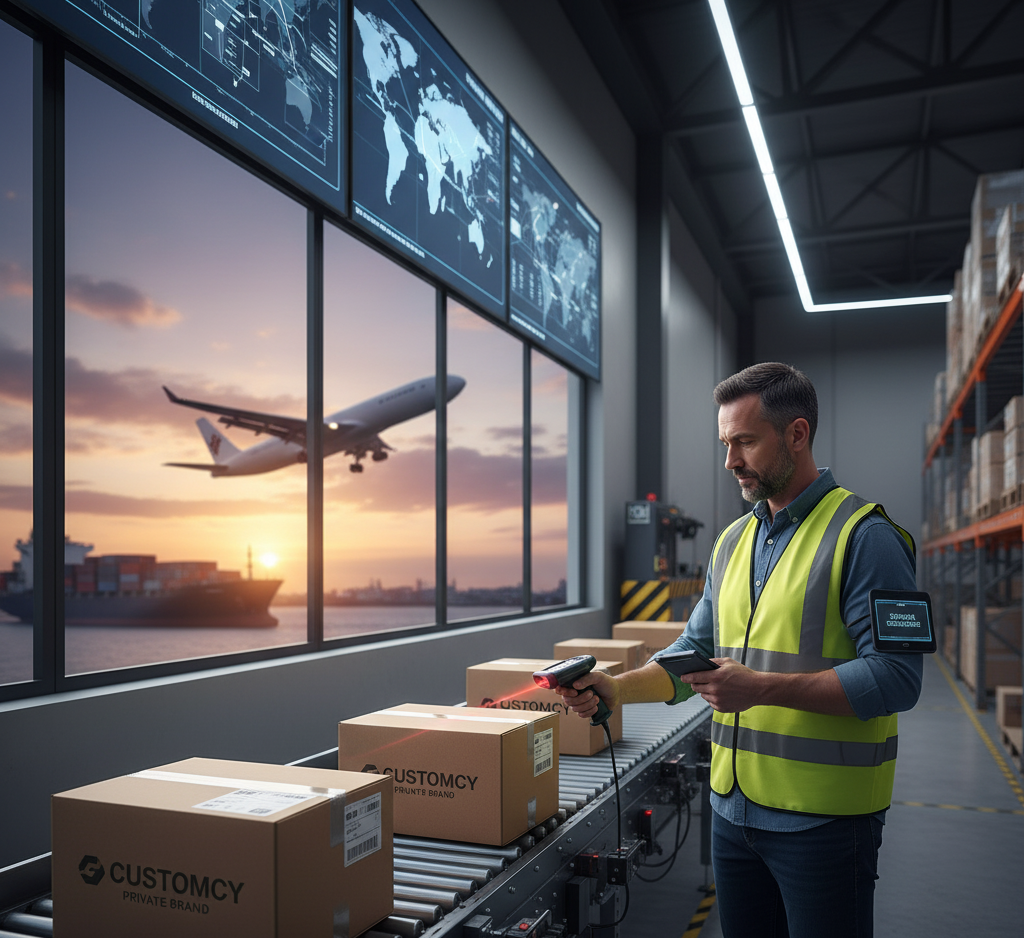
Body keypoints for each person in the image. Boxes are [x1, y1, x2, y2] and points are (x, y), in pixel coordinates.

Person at [555, 362, 922, 938]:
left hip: (823, 823)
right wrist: (618, 687)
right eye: (726, 443)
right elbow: (694, 650)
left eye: (745, 442)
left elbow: (898, 677)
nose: (730, 461)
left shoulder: (867, 537)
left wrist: (761, 687)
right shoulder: (733, 540)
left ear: (796, 434)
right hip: (732, 813)